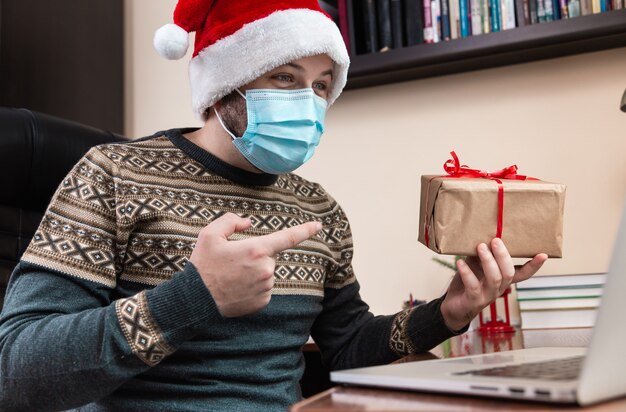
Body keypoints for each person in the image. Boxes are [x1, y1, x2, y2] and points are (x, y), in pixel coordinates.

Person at [0, 1, 547, 411]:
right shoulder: (112, 174)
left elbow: (348, 346)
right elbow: (18, 369)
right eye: (284, 78)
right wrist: (195, 296)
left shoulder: (319, 209)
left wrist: (447, 313)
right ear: (224, 85)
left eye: (320, 86)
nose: (306, 103)